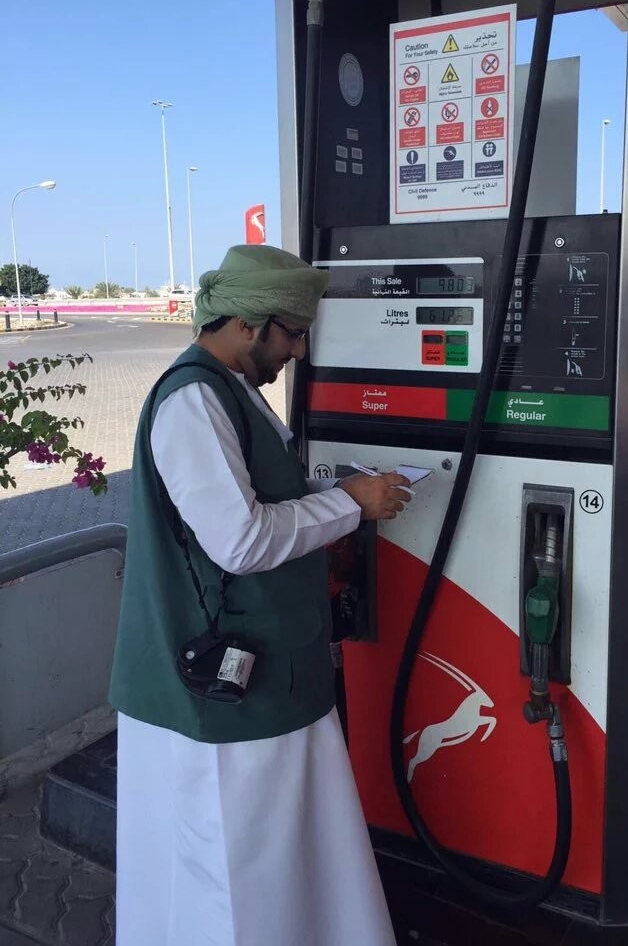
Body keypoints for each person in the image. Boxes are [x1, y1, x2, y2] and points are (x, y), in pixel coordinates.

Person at [109, 245, 410, 946]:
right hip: (213, 691)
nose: (300, 348)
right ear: (247, 324)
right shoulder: (190, 400)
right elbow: (239, 540)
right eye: (292, 332)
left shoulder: (230, 391)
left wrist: (332, 498)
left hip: (264, 668)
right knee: (232, 864)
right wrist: (348, 504)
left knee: (277, 854)